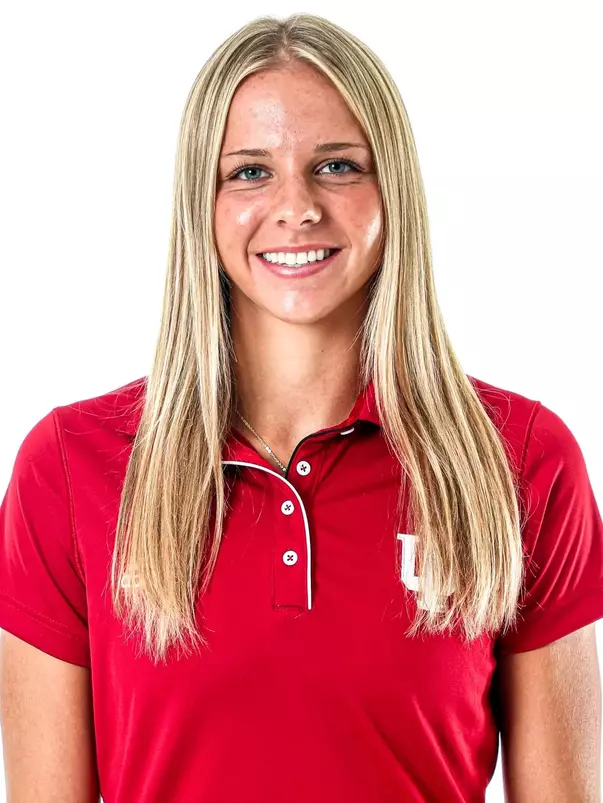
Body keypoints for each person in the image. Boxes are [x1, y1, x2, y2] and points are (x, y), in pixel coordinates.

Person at [1, 12, 602, 803]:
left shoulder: (519, 458)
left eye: (337, 166)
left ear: (393, 190)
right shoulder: (71, 467)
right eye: (249, 171)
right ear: (201, 202)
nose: (297, 207)